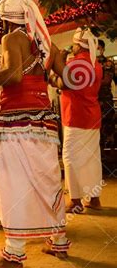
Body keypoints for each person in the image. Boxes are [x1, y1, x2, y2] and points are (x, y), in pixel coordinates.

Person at [0, 0, 70, 268]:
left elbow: (13, 77)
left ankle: (14, 254)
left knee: (13, 182)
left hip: (16, 121)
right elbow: (70, 83)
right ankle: (58, 241)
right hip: (44, 123)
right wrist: (49, 75)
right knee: (47, 178)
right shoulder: (47, 43)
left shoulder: (12, 39)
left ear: (6, 19)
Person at [51, 29, 103, 213]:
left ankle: (76, 200)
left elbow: (63, 83)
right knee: (91, 158)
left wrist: (58, 65)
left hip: (75, 116)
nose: (71, 47)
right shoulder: (95, 64)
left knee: (70, 158)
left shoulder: (77, 63)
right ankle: (94, 199)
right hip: (92, 116)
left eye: (73, 44)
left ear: (79, 45)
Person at [97, 39, 116, 151]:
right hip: (94, 101)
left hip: (105, 101)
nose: (97, 50)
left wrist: (89, 82)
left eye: (98, 48)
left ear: (103, 49)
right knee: (97, 132)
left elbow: (107, 81)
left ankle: (112, 159)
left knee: (109, 129)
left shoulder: (108, 63)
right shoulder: (90, 64)